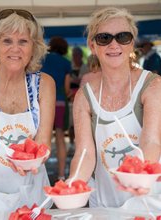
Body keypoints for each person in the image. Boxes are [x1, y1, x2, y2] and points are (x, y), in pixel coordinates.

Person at [68, 7, 161, 211]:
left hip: (148, 201)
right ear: (92, 46)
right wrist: (73, 185)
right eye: (104, 38)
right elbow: (85, 154)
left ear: (132, 43)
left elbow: (152, 141)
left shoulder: (153, 85)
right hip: (104, 204)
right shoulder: (84, 96)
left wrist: (140, 177)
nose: (114, 44)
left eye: (123, 37)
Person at [0, 9, 55, 213]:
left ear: (34, 47)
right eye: (7, 41)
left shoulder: (44, 84)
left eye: (23, 41)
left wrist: (34, 159)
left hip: (29, 192)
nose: (15, 49)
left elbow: (43, 141)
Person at [41, 36, 72, 181]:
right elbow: (66, 89)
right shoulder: (66, 63)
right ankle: (61, 175)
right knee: (60, 138)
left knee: (40, 138)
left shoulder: (42, 59)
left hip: (41, 102)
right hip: (59, 101)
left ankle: (39, 175)